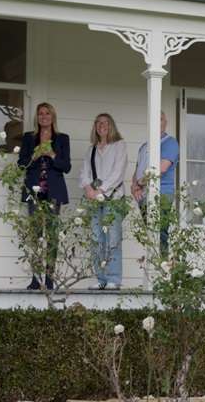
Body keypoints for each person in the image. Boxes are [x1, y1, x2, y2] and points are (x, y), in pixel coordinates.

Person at [17, 102, 71, 290]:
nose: (44, 116)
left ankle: (49, 278)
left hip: (53, 191)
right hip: (34, 191)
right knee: (35, 235)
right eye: (40, 113)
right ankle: (35, 278)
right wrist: (35, 155)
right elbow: (21, 164)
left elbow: (66, 166)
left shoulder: (62, 138)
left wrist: (52, 154)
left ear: (52, 116)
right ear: (37, 117)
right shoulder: (28, 138)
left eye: (47, 113)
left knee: (52, 235)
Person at [80, 113, 128, 290]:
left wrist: (101, 189)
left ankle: (113, 278)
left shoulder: (119, 145)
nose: (102, 126)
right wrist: (89, 189)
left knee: (112, 238)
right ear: (95, 126)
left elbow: (118, 172)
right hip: (94, 199)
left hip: (113, 198)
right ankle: (101, 278)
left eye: (105, 123)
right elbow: (84, 173)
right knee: (96, 238)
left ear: (111, 125)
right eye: (99, 123)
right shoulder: (91, 149)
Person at [131, 112, 180, 253]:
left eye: (161, 118)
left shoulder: (170, 143)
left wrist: (140, 183)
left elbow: (161, 168)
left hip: (162, 195)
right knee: (150, 236)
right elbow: (137, 170)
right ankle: (153, 268)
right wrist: (134, 187)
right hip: (143, 196)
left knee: (160, 235)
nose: (158, 122)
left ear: (166, 122)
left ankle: (163, 271)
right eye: (155, 118)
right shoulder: (144, 146)